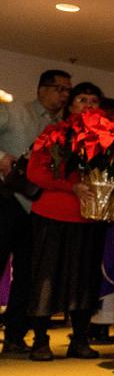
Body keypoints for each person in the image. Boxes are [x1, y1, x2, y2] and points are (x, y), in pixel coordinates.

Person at [25, 82, 105, 361]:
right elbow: (35, 173)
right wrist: (70, 187)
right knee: (46, 280)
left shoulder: (110, 139)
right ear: (70, 105)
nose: (88, 105)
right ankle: (40, 341)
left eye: (93, 100)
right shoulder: (53, 133)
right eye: (82, 99)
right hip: (52, 217)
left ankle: (80, 340)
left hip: (89, 219)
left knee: (84, 280)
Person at [0, 69, 71, 355]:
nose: (64, 95)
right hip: (5, 199)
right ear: (42, 88)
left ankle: (15, 336)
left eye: (68, 90)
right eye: (59, 88)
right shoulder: (14, 111)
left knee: (28, 275)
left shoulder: (64, 126)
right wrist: (1, 157)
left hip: (39, 208)